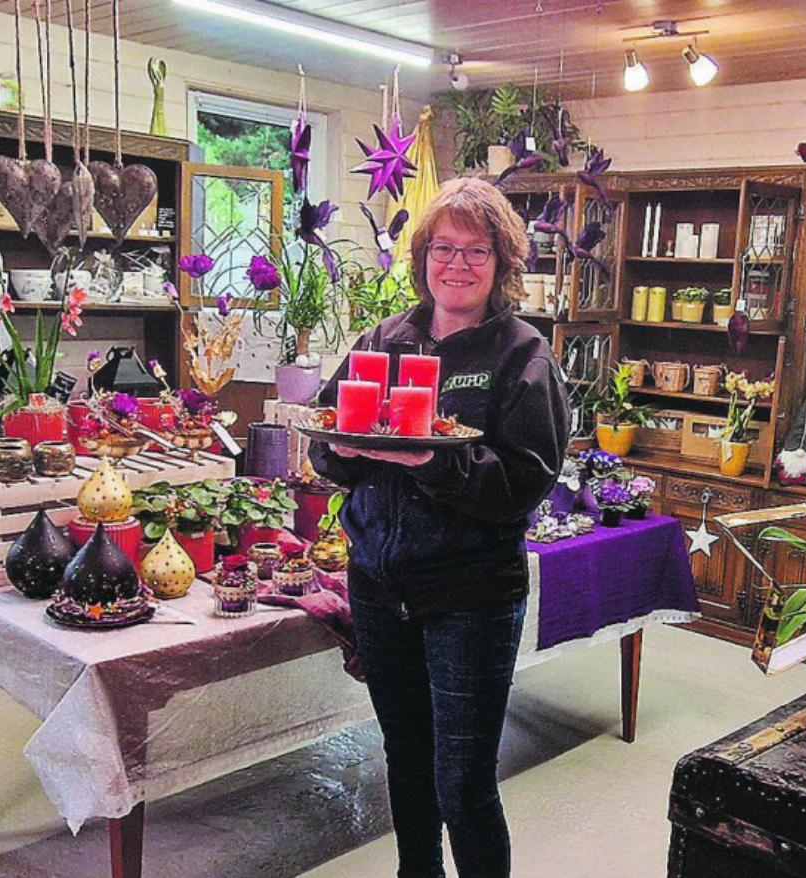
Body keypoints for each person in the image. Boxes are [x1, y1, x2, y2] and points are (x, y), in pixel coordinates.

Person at [309, 177, 569, 878]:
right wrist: (343, 449)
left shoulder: (522, 357)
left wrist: (433, 460)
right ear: (423, 256)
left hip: (470, 596)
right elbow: (323, 438)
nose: (457, 264)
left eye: (476, 251)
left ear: (502, 263)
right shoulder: (385, 339)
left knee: (463, 781)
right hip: (379, 588)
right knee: (406, 758)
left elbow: (522, 484)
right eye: (443, 249)